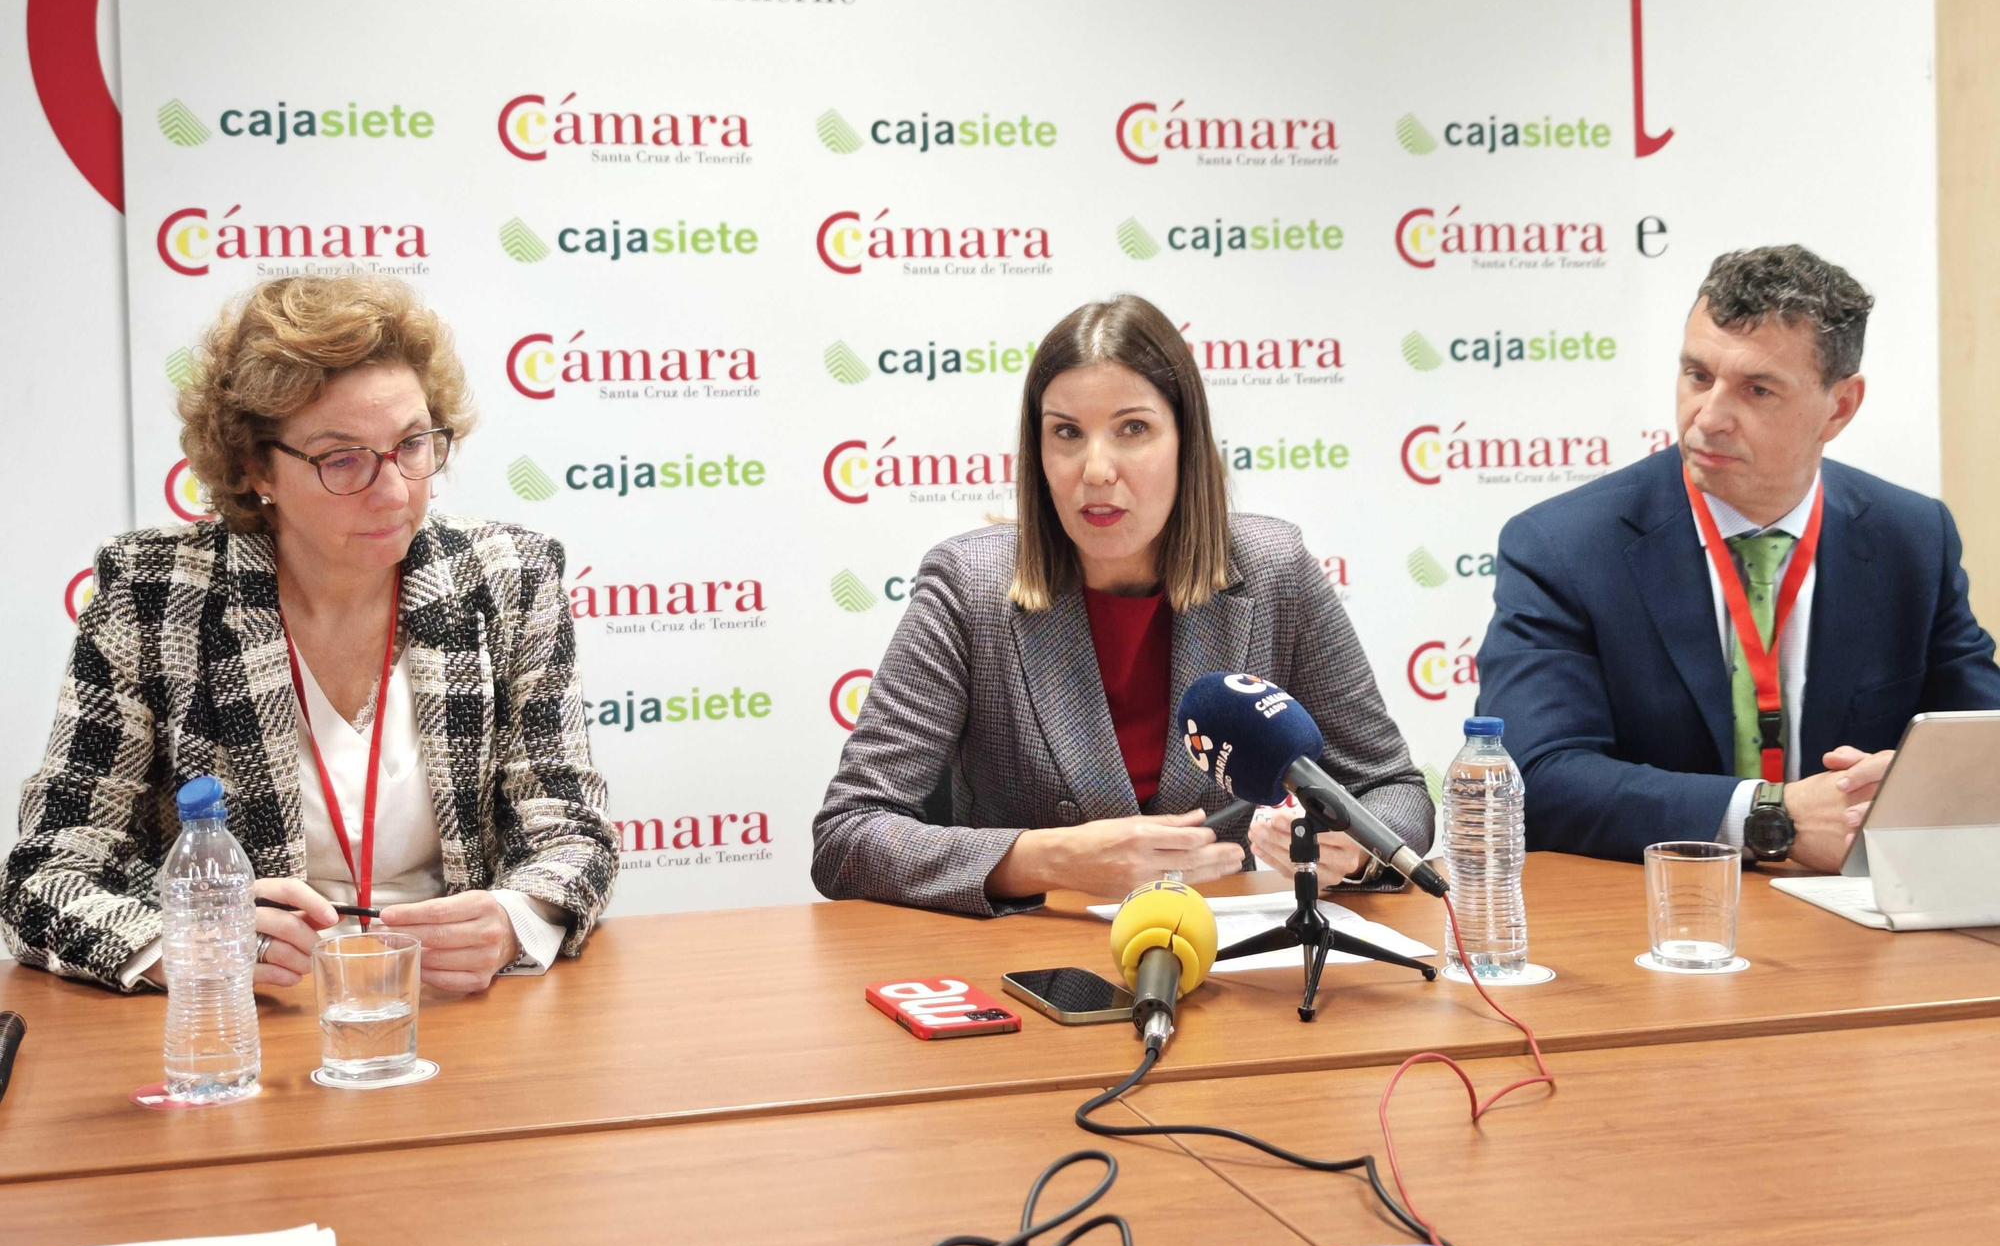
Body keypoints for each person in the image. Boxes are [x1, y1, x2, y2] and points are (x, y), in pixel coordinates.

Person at [2, 277, 618, 994]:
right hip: (253, 1014)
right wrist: (183, 945)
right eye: (342, 458)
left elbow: (572, 832)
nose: (394, 490)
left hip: (447, 1005)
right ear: (256, 467)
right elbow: (50, 870)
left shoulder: (510, 577)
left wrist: (516, 917)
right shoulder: (152, 595)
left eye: (413, 444)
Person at [812, 293, 1432, 914]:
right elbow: (848, 835)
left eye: (1133, 429)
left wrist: (1353, 845)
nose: (1097, 469)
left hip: (1239, 954)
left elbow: (1393, 790)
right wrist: (1048, 858)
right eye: (1066, 433)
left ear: (1185, 442)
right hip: (1044, 956)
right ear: (1039, 452)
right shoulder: (968, 587)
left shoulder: (1275, 570)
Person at [1476, 246, 2000, 869]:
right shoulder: (1565, 547)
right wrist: (1769, 815)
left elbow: (1978, 740)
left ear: (1840, 407)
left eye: (1756, 390)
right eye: (1698, 376)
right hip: (1657, 913)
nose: (1710, 418)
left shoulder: (1912, 537)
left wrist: (1917, 781)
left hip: (1858, 916)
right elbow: (1534, 778)